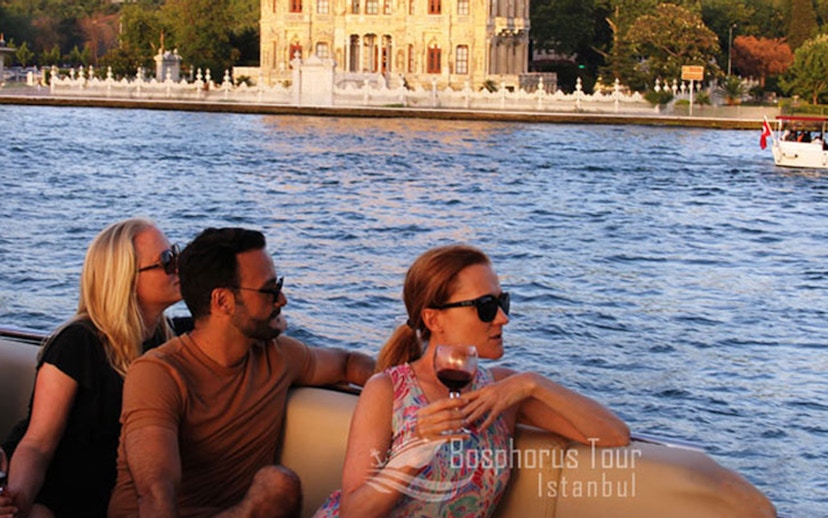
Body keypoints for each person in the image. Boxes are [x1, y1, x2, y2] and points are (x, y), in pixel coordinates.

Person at [314, 244, 630, 517]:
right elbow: (352, 512)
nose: (503, 318)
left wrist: (532, 383)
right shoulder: (387, 389)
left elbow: (613, 435)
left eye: (501, 302)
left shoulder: (502, 391)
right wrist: (413, 453)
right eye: (486, 307)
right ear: (433, 319)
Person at [108, 227, 376, 518]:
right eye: (270, 290)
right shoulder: (158, 374)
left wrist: (406, 390)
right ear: (222, 301)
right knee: (277, 485)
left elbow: (349, 363)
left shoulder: (279, 355)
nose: (282, 300)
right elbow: (156, 492)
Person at [0, 218, 184, 518]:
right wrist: (16, 507)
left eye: (176, 253)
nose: (178, 266)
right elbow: (37, 445)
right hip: (63, 494)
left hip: (124, 498)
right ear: (125, 278)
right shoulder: (78, 344)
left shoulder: (173, 339)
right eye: (166, 260)